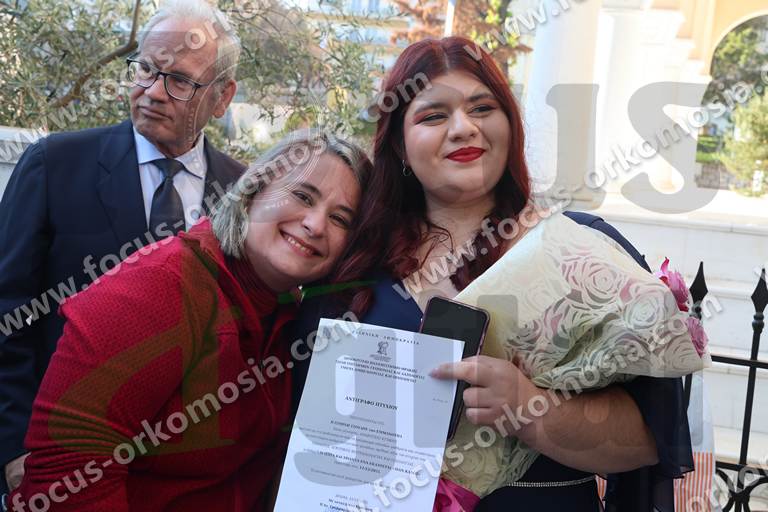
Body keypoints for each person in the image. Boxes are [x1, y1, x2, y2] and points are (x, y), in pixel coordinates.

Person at [290, 37, 693, 511]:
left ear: (510, 125)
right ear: (399, 143)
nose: (464, 128)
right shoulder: (354, 265)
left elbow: (648, 440)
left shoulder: (582, 250)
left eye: (482, 108)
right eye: (433, 116)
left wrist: (529, 408)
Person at [5, 130, 375, 512]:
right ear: (254, 190)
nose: (315, 224)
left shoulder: (289, 313)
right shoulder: (163, 286)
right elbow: (68, 471)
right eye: (302, 196)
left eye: (340, 219)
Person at [0, 0, 244, 493]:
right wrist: (13, 450)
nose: (152, 91)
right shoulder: (55, 165)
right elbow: (8, 310)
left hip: (182, 479)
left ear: (222, 97)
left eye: (180, 81)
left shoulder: (243, 195)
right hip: (57, 461)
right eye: (146, 70)